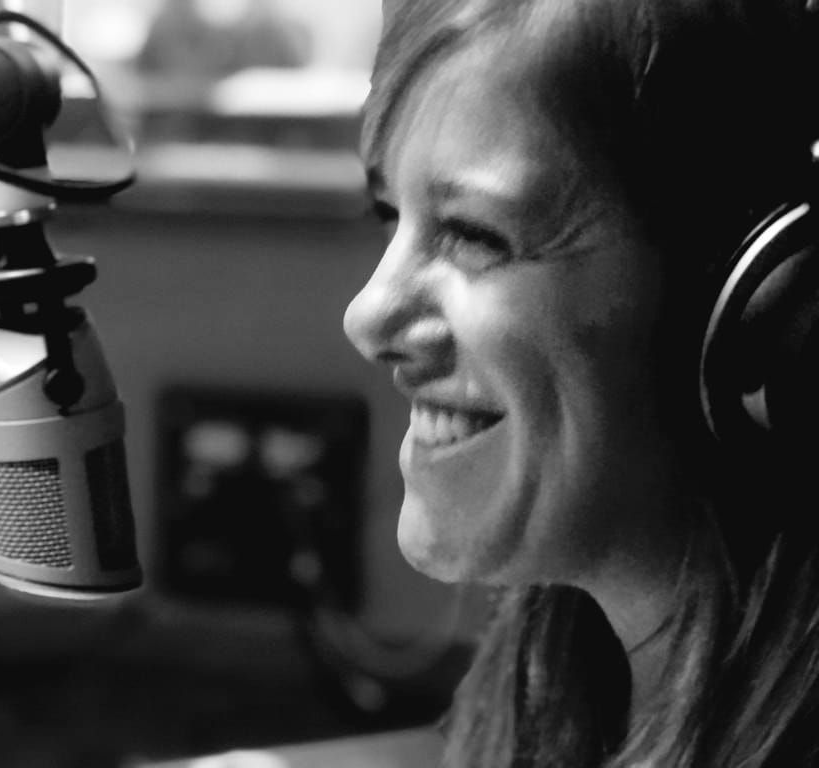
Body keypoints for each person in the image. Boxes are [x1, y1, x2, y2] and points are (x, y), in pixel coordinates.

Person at [342, 0, 819, 765]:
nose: (368, 316)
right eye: (388, 213)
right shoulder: (565, 670)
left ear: (768, 309)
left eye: (474, 235)